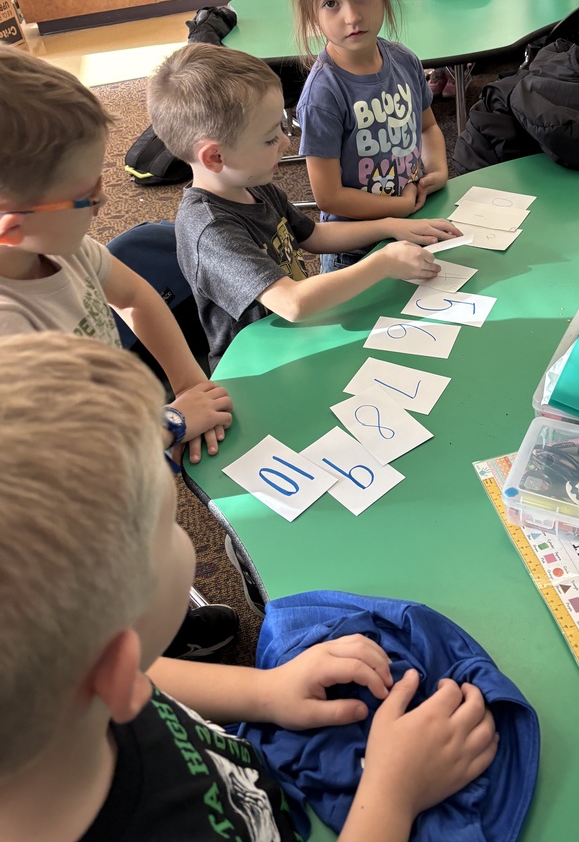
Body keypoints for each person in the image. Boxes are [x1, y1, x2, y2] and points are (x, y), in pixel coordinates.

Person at [0, 332, 499, 842]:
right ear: (115, 668)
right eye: (173, 523)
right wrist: (393, 796)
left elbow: (145, 677)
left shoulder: (71, 689)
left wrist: (265, 692)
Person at [147, 43, 460, 369]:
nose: (287, 142)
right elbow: (292, 302)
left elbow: (312, 235)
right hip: (260, 367)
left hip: (297, 340)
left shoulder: (251, 184)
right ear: (215, 157)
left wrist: (391, 226)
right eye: (270, 138)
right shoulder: (210, 229)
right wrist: (382, 263)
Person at [0, 48, 232, 465]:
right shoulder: (10, 329)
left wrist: (189, 385)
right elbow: (69, 453)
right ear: (13, 229)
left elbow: (135, 298)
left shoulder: (61, 245)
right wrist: (173, 423)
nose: (104, 197)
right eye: (85, 195)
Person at [287, 0, 452, 272]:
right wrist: (397, 209)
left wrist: (436, 170)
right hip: (355, 251)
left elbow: (427, 127)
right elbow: (328, 195)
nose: (352, 16)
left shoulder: (405, 62)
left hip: (411, 223)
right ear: (312, 12)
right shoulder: (323, 94)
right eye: (332, 3)